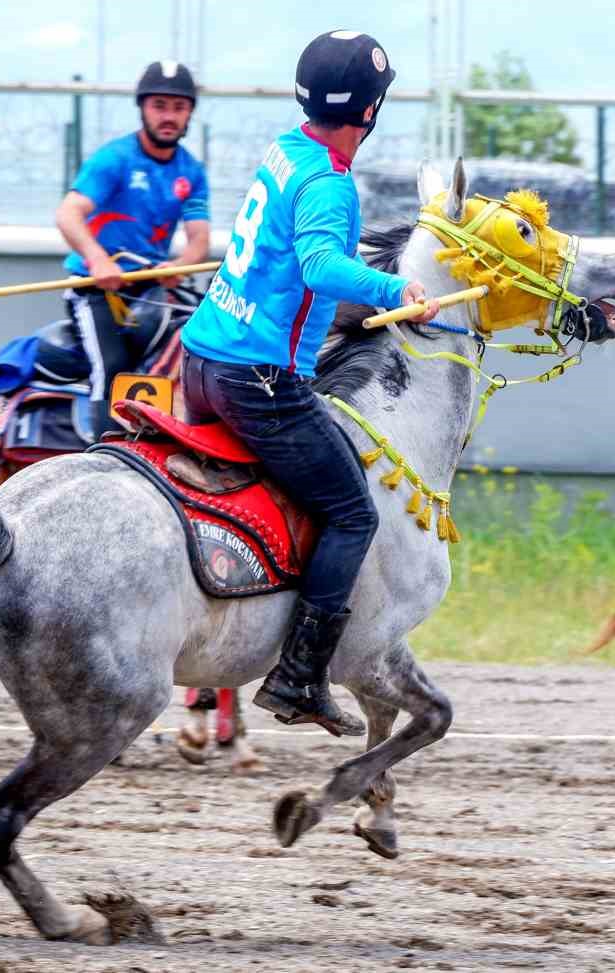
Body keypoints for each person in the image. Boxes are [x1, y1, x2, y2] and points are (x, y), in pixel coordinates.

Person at [177, 30, 439, 737]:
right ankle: (298, 675)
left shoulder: (285, 150)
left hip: (200, 359)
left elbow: (302, 257)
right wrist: (397, 284)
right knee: (354, 510)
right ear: (371, 110)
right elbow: (322, 263)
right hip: (254, 380)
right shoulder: (329, 179)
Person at [52, 60, 211, 437]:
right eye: (159, 106)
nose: (168, 116)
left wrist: (179, 267)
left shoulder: (192, 171)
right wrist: (97, 259)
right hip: (96, 289)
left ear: (190, 112)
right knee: (112, 368)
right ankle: (100, 453)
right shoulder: (114, 159)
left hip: (152, 289)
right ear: (143, 109)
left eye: (178, 107)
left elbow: (199, 240)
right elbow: (68, 214)